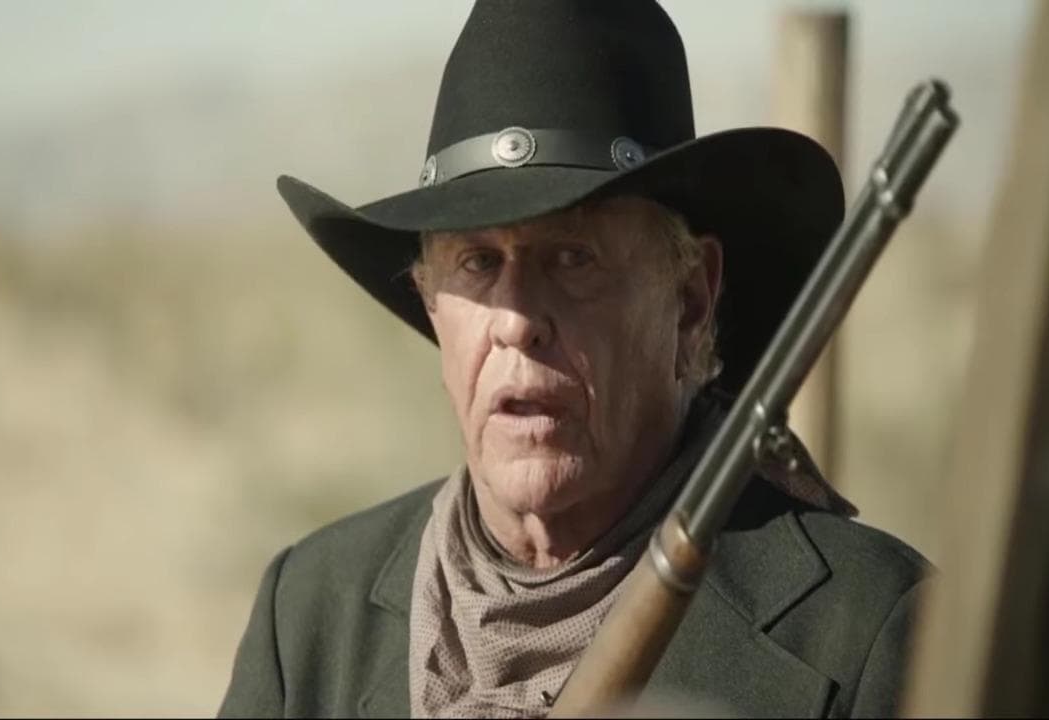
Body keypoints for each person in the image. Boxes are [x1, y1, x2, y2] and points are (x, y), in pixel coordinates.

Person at [219, 1, 928, 717]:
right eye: (477, 261)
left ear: (689, 300)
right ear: (430, 300)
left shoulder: (873, 632)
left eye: (572, 257)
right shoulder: (310, 613)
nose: (518, 321)